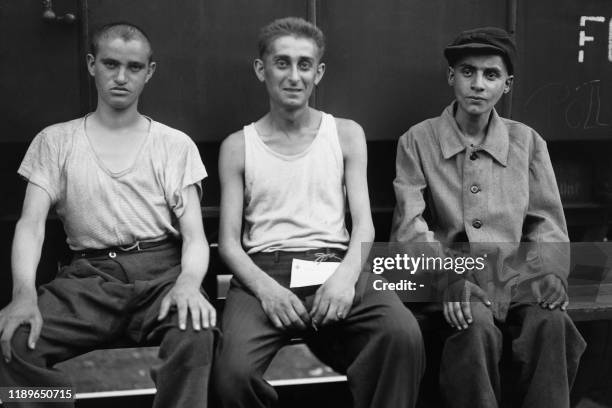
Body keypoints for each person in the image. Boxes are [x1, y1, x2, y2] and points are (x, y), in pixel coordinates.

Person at [0, 22, 215, 408]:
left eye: (134, 67)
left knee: (196, 331)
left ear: (149, 72)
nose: (121, 77)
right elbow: (31, 226)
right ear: (91, 64)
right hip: (88, 277)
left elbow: (195, 235)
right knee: (13, 343)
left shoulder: (173, 145)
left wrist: (188, 283)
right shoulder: (56, 141)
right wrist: (23, 294)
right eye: (110, 64)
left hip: (160, 274)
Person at [213, 16, 425, 408]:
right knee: (232, 375)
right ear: (261, 69)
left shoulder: (345, 134)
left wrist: (346, 278)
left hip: (336, 264)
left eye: (304, 64)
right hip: (265, 273)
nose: (294, 76)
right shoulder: (237, 146)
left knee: (402, 334)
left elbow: (363, 224)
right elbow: (228, 243)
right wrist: (268, 291)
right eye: (282, 63)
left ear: (319, 72)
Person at [390, 27, 586, 408]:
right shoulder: (417, 141)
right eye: (467, 72)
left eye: (491, 75)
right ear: (451, 77)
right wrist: (447, 278)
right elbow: (410, 228)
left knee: (553, 323)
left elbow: (547, 221)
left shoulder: (528, 142)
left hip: (516, 277)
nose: (478, 84)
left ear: (507, 85)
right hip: (451, 277)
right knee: (472, 325)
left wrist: (550, 272)